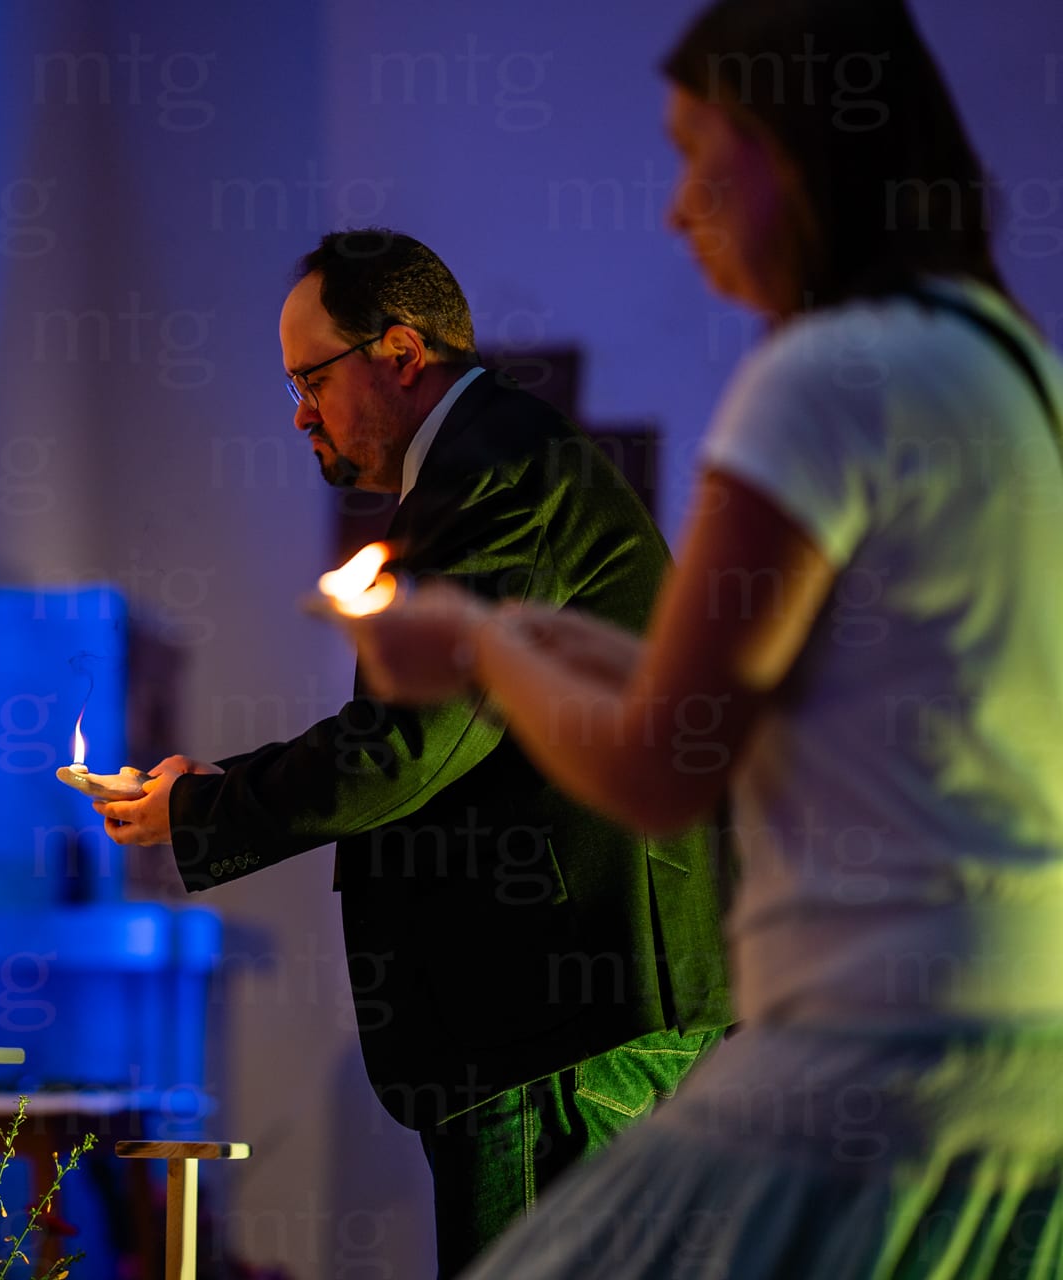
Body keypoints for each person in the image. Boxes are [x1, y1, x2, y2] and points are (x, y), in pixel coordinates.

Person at [341, 1, 1063, 1275]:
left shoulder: (821, 376)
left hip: (871, 1055)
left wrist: (471, 652)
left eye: (694, 153)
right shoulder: (1010, 367)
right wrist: (521, 640)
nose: (676, 208)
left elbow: (663, 762)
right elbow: (760, 713)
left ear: (793, 145)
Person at [96, 227, 734, 1274]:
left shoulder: (500, 470)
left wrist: (205, 811)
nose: (299, 413)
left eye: (311, 379)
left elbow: (411, 742)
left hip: (558, 1019)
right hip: (561, 1010)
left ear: (399, 353)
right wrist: (221, 787)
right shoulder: (488, 465)